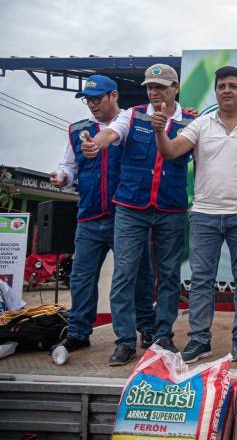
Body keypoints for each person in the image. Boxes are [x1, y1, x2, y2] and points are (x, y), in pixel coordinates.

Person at [152, 66, 237, 362]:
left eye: (233, 85)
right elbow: (170, 151)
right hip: (204, 215)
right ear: (217, 91)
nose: (227, 90)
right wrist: (159, 131)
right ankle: (199, 340)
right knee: (201, 279)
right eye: (221, 86)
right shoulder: (200, 124)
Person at [81, 64, 196, 366]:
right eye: (149, 87)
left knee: (170, 274)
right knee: (124, 274)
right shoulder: (131, 115)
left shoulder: (192, 121)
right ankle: (124, 340)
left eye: (160, 86)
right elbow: (111, 133)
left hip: (170, 208)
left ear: (175, 88)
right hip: (131, 208)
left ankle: (162, 335)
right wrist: (96, 144)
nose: (154, 92)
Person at [49, 75, 156, 356]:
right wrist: (62, 176)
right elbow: (67, 166)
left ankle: (147, 328)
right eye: (88, 100)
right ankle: (78, 333)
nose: (92, 105)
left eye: (97, 99)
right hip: (89, 216)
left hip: (127, 216)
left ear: (114, 96)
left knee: (138, 275)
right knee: (82, 277)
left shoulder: (133, 126)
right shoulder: (77, 130)